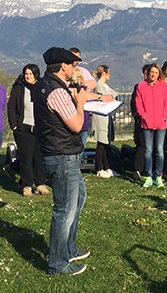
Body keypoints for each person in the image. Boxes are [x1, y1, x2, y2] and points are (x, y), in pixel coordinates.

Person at [33, 47, 90, 275]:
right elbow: (76, 125)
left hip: (60, 153)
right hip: (62, 156)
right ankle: (57, 263)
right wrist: (81, 103)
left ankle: (69, 247)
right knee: (64, 209)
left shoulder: (44, 85)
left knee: (78, 199)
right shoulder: (56, 92)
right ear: (63, 66)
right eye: (72, 64)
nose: (75, 68)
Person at [7, 64, 49, 197]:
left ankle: (40, 184)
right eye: (26, 74)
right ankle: (26, 185)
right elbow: (11, 107)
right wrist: (14, 125)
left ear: (36, 74)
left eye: (30, 74)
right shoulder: (19, 88)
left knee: (38, 157)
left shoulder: (42, 87)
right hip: (23, 127)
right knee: (26, 157)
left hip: (39, 128)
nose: (28, 76)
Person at [135, 63, 167, 188]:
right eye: (152, 72)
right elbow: (138, 103)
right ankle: (148, 176)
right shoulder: (141, 86)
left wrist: (164, 115)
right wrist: (143, 115)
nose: (154, 74)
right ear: (148, 72)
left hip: (161, 123)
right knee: (148, 151)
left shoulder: (163, 86)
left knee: (159, 151)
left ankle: (158, 176)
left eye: (156, 72)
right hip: (146, 123)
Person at [91, 65, 118, 178]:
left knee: (106, 144)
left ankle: (107, 167)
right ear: (104, 73)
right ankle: (99, 168)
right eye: (108, 73)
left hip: (106, 116)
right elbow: (105, 97)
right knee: (101, 144)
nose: (110, 75)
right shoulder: (98, 86)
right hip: (100, 117)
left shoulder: (104, 85)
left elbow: (113, 94)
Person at [131, 64, 151, 180]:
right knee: (142, 144)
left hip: (153, 120)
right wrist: (138, 117)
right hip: (141, 120)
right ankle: (137, 169)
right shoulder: (138, 86)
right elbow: (134, 104)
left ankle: (147, 168)